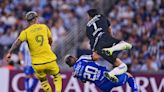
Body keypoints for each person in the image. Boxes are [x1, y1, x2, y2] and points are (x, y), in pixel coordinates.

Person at [6, 11, 62, 92]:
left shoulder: (25, 32)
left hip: (37, 64)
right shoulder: (44, 27)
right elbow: (50, 40)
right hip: (49, 60)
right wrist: (49, 46)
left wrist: (10, 52)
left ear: (28, 21)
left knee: (43, 81)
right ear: (36, 18)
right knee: (57, 76)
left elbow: (17, 43)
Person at [86, 9, 132, 82]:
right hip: (105, 37)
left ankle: (111, 74)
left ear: (89, 16)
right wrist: (110, 39)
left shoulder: (87, 27)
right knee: (128, 45)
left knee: (122, 66)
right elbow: (109, 29)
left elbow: (92, 43)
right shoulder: (101, 17)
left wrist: (95, 52)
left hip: (98, 47)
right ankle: (110, 50)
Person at [64, 55, 138, 92]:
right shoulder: (82, 58)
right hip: (106, 77)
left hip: (101, 85)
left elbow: (84, 81)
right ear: (73, 58)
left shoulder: (76, 73)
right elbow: (96, 57)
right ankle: (135, 91)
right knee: (128, 75)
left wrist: (77, 76)